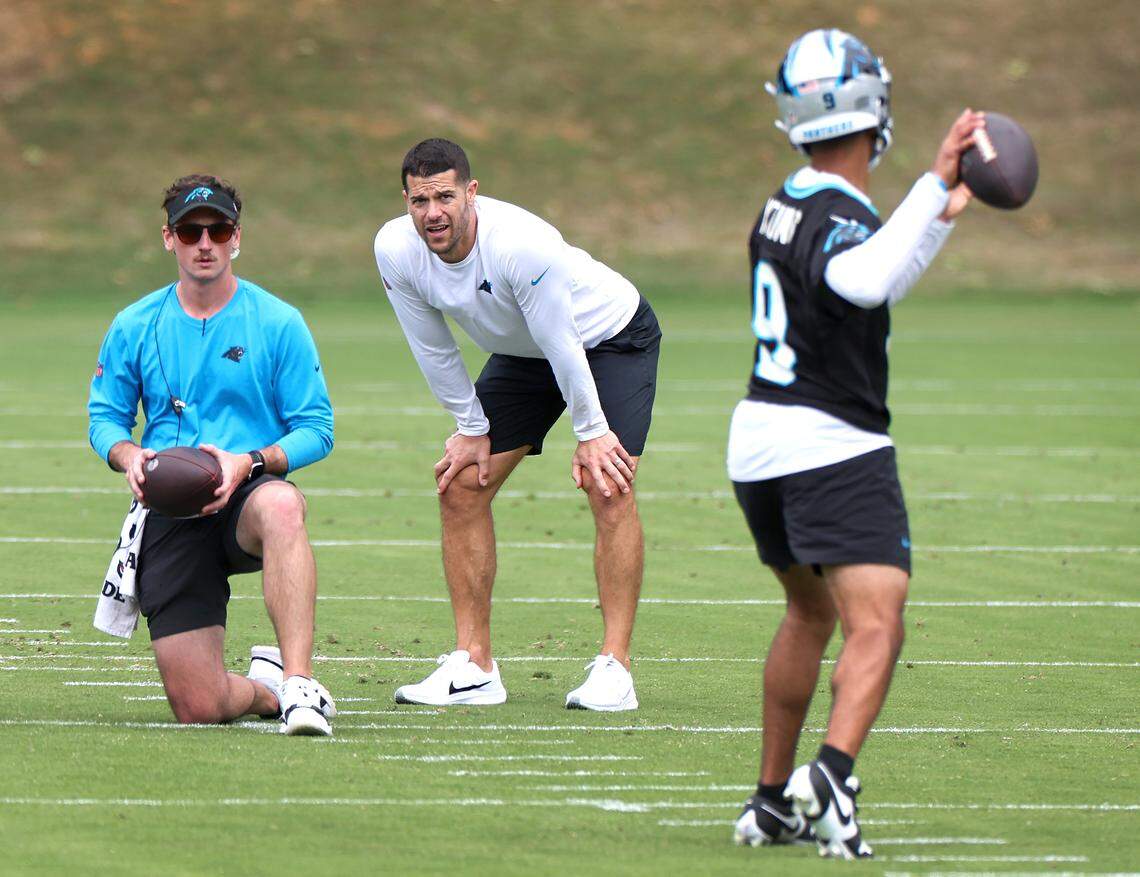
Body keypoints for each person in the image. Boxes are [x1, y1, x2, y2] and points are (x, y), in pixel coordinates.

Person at [727, 30, 983, 858]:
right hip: (830, 441)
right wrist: (932, 181)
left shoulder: (790, 196)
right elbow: (863, 276)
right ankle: (830, 775)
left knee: (810, 610)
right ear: (871, 106)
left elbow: (871, 279)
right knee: (878, 624)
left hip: (760, 439)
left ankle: (770, 800)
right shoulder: (840, 210)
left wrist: (932, 221)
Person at [373, 139, 661, 711]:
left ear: (472, 194)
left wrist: (591, 432)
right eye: (420, 200)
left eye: (446, 197)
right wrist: (470, 425)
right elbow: (431, 348)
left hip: (608, 337)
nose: (433, 212)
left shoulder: (524, 247)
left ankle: (614, 669)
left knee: (608, 483)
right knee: (461, 485)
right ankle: (474, 666)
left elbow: (564, 345)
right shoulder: (395, 249)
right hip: (526, 350)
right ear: (406, 201)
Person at [88, 174, 338, 736]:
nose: (206, 243)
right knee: (198, 706)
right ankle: (270, 691)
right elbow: (105, 418)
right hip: (172, 504)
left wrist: (245, 462)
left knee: (282, 507)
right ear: (169, 239)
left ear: (236, 238)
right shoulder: (135, 323)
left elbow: (317, 429)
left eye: (218, 230)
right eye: (191, 230)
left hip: (247, 486)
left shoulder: (277, 322)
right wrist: (130, 456)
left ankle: (300, 682)